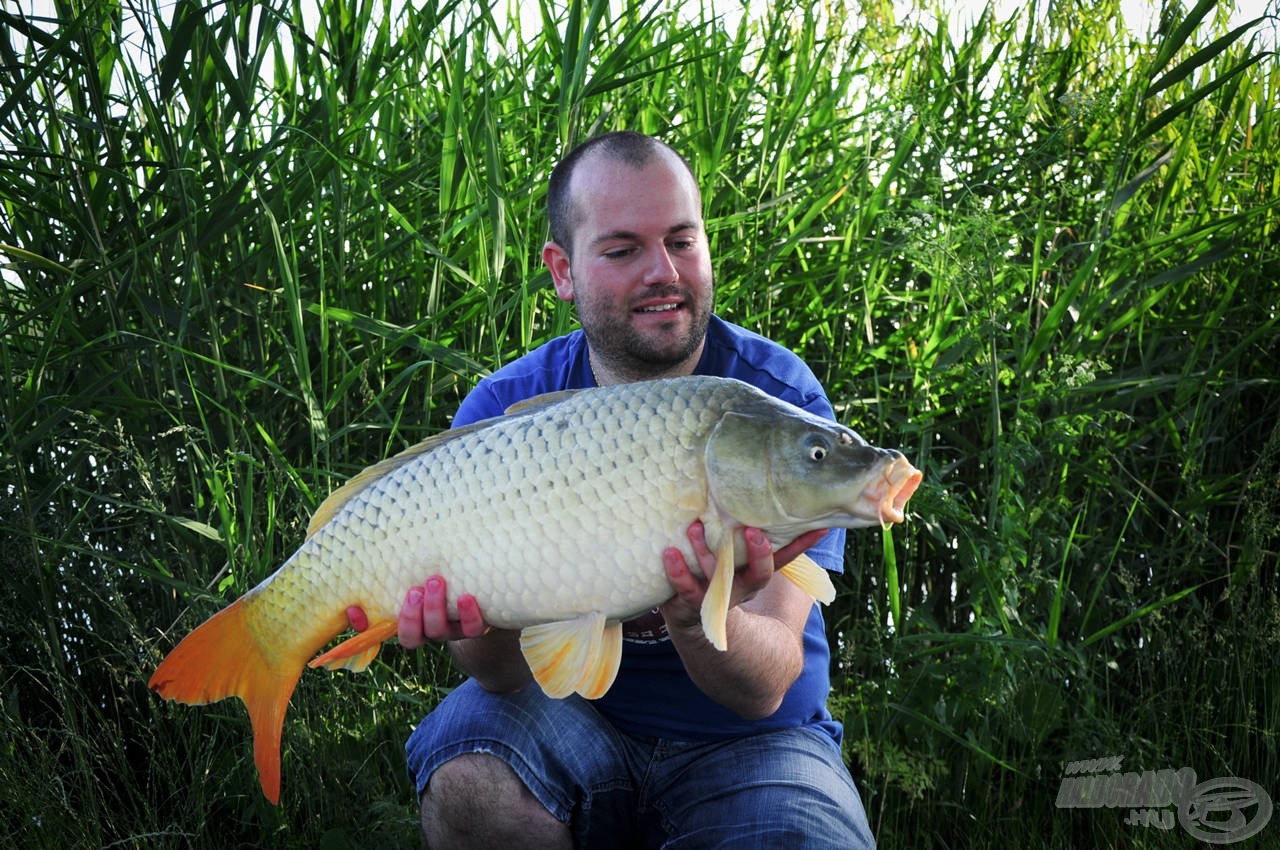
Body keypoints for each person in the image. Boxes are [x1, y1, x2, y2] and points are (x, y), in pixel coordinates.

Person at [369, 131, 875, 849]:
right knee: (469, 774)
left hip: (753, 744)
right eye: (621, 249)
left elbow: (766, 686)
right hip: (569, 716)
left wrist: (697, 617)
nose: (662, 271)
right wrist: (475, 622)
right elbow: (499, 674)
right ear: (562, 270)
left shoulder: (774, 405)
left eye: (682, 240)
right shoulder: (505, 413)